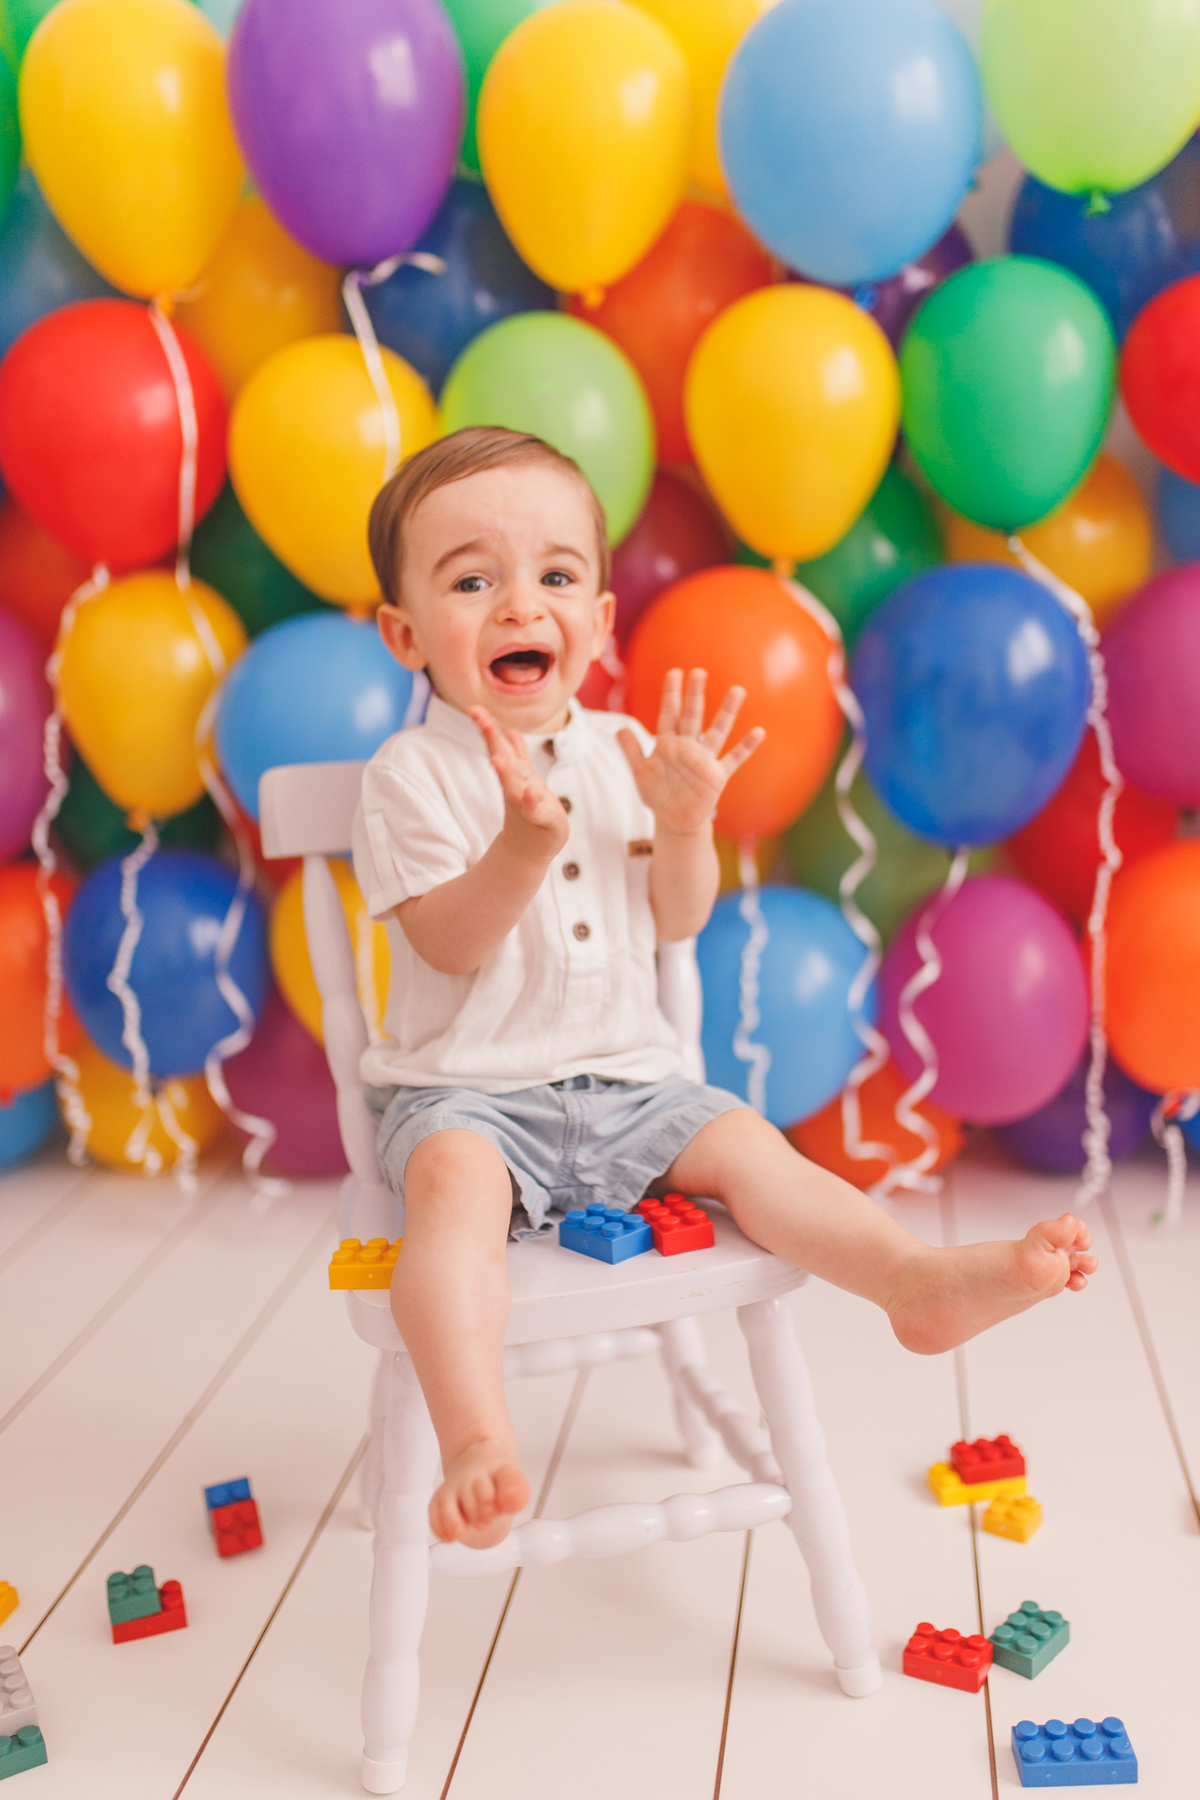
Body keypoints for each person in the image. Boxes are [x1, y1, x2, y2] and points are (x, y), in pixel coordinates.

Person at [352, 425, 1096, 1551]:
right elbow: (450, 947)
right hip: (467, 1097)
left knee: (756, 1154)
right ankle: (476, 1436)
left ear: (600, 621)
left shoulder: (617, 751)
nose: (519, 606)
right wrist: (517, 848)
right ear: (407, 632)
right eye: (473, 580)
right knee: (453, 1198)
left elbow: (676, 918)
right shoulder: (410, 775)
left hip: (634, 1085)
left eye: (556, 576)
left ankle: (911, 1281)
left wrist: (687, 821)